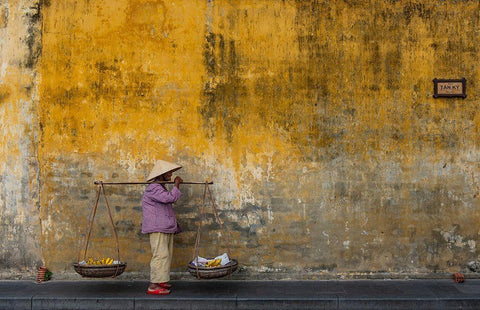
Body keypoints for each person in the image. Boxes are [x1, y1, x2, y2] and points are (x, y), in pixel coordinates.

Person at [142, 160, 184, 295]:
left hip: (164, 226)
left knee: (166, 254)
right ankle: (153, 285)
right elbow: (170, 198)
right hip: (157, 227)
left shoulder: (160, 187)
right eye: (169, 173)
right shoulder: (153, 187)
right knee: (160, 255)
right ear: (162, 174)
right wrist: (177, 185)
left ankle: (160, 280)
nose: (171, 175)